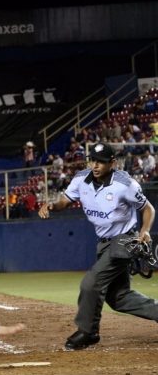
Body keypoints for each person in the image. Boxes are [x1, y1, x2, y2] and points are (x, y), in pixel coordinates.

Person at [38, 142, 158, 350]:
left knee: (90, 283)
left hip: (123, 240)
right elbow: (64, 202)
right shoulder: (80, 179)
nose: (95, 165)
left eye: (101, 161)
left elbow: (148, 208)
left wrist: (144, 230)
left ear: (112, 163)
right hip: (103, 243)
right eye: (92, 160)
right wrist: (51, 205)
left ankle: (88, 332)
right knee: (118, 297)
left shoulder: (125, 183)